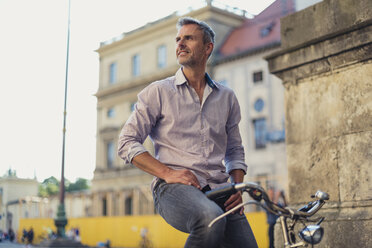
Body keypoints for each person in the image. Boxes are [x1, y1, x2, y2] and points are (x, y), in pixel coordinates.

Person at [118, 17, 258, 248]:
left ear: (207, 48)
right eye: (178, 39)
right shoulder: (158, 92)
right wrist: (167, 173)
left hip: (221, 190)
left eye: (189, 38)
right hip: (173, 189)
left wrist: (237, 187)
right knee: (209, 218)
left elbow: (234, 150)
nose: (180, 44)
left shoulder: (227, 97)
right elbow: (126, 142)